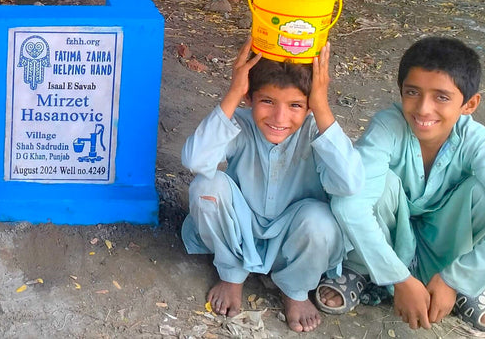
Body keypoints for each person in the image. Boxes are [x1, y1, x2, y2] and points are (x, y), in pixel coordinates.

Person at [181, 40, 363, 333]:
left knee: (321, 220)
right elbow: (194, 160)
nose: (279, 118)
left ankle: (295, 290)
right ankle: (231, 274)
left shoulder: (317, 131)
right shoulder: (240, 124)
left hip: (295, 239)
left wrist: (321, 107)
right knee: (206, 187)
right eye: (267, 101)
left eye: (295, 105)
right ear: (249, 98)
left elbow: (351, 183)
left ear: (310, 105)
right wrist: (232, 94)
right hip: (240, 230)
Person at [318, 36, 485, 332]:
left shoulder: (476, 142)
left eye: (441, 97)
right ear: (400, 91)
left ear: (469, 104)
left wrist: (454, 279)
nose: (423, 109)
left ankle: (461, 285)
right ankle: (362, 269)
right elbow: (349, 204)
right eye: (413, 92)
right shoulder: (388, 126)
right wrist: (399, 277)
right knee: (373, 185)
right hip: (391, 236)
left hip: (445, 245)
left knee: (478, 191)